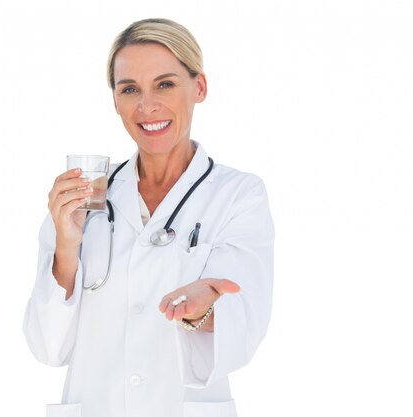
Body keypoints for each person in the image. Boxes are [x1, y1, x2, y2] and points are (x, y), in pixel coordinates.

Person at [23, 18, 274, 417]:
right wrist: (67, 248)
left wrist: (203, 310)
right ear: (115, 100)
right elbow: (47, 347)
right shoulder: (84, 198)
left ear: (200, 87)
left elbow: (244, 322)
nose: (147, 106)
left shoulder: (238, 195)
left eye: (165, 84)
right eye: (130, 89)